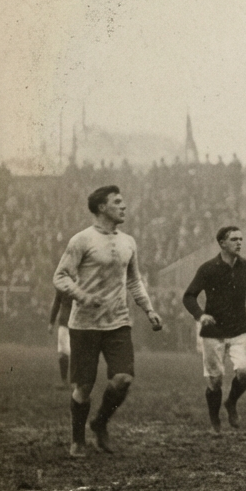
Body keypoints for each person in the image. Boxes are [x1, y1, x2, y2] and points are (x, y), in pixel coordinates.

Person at [52, 185, 163, 457]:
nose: (124, 206)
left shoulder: (128, 242)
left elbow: (134, 280)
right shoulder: (82, 240)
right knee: (84, 387)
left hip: (118, 322)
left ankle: (100, 422)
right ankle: (78, 440)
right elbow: (60, 276)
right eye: (118, 202)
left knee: (123, 378)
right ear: (102, 207)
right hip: (85, 325)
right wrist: (81, 295)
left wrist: (149, 310)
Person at [182, 226, 246, 432]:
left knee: (245, 372)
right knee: (215, 381)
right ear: (222, 243)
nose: (239, 243)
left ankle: (231, 403)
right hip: (214, 332)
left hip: (239, 330)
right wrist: (200, 315)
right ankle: (214, 419)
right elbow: (189, 296)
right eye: (234, 239)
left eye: (241, 239)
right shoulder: (208, 268)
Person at [48, 289, 73, 389]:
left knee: (76, 354)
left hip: (77, 323)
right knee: (64, 352)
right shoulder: (62, 284)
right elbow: (57, 303)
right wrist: (51, 322)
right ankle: (65, 381)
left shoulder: (81, 280)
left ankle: (76, 383)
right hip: (66, 322)